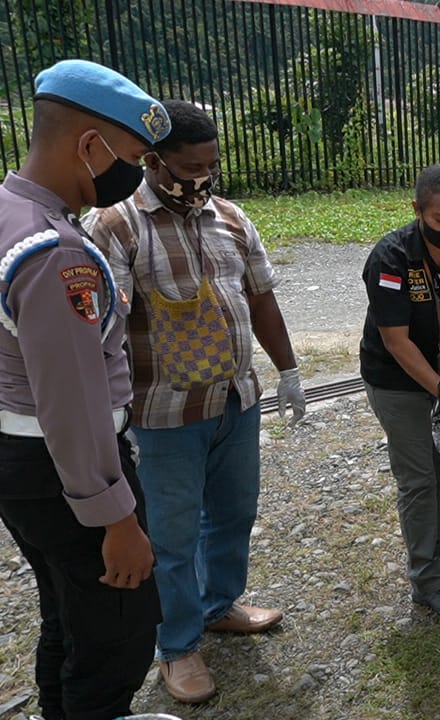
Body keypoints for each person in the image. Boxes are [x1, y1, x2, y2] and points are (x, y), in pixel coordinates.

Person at [85, 100, 305, 703]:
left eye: (211, 165)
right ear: (152, 161)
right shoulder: (115, 226)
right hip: (162, 416)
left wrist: (287, 370)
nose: (201, 178)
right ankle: (178, 647)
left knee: (234, 513)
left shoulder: (231, 219)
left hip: (236, 400)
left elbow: (260, 298)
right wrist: (113, 416)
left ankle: (218, 605)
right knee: (173, 536)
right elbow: (103, 331)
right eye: (189, 167)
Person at [0, 59, 168, 720]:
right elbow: (72, 405)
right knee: (115, 636)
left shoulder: (11, 211)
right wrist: (116, 519)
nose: (132, 175)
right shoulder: (57, 254)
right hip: (65, 472)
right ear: (90, 147)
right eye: (130, 157)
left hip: (26, 464)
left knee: (67, 615)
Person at [359, 165, 440, 616]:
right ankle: (426, 578)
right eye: (439, 221)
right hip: (397, 382)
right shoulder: (391, 259)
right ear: (417, 210)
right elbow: (395, 341)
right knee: (417, 477)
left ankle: (439, 547)